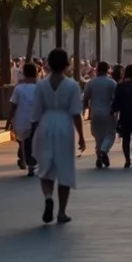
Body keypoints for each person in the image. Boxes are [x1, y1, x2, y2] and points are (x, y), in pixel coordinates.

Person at [31, 48, 85, 224]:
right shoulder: (72, 85)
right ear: (66, 65)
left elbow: (36, 112)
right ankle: (61, 211)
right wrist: (82, 136)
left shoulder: (40, 85)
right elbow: (76, 112)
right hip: (64, 125)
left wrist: (33, 132)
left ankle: (48, 197)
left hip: (45, 124)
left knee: (45, 166)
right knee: (65, 167)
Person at [83, 60, 118, 168]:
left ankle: (99, 156)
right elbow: (116, 98)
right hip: (109, 112)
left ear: (97, 70)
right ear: (108, 70)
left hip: (95, 113)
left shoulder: (91, 83)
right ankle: (104, 151)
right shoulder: (112, 83)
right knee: (110, 134)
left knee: (98, 136)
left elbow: (85, 98)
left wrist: (84, 110)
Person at [6, 62, 40, 175]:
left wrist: (8, 121)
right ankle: (30, 163)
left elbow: (13, 106)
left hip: (22, 120)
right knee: (33, 142)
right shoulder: (40, 88)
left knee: (25, 141)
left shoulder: (19, 89)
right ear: (36, 74)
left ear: (24, 74)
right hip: (37, 119)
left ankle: (27, 161)